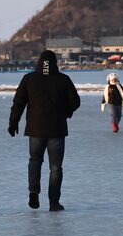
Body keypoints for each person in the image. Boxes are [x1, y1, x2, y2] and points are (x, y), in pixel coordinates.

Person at [8, 50, 80, 211]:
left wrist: (13, 123)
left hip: (35, 129)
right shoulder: (63, 79)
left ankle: (34, 192)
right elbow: (75, 102)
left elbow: (18, 103)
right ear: (55, 63)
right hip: (57, 130)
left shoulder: (29, 79)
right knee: (55, 167)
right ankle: (53, 202)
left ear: (39, 62)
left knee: (35, 160)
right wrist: (66, 111)